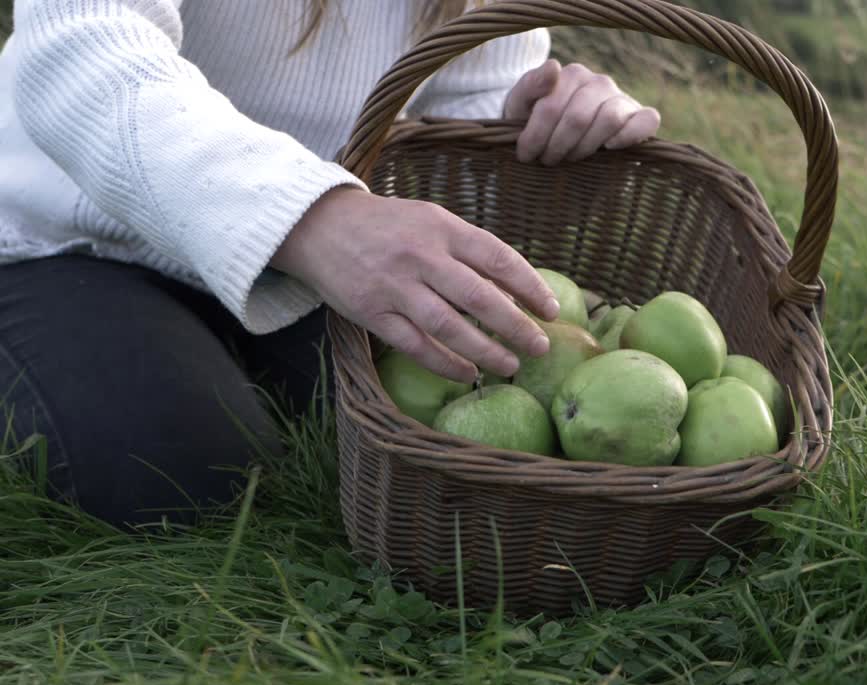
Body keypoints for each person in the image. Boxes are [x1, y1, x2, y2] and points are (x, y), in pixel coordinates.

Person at [0, 0, 661, 528]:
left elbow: (466, 95)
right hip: (66, 238)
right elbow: (83, 43)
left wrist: (532, 125)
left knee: (404, 437)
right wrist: (317, 219)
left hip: (299, 266)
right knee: (184, 473)